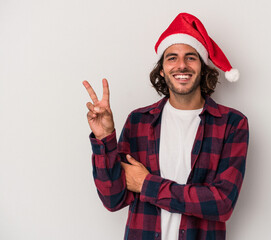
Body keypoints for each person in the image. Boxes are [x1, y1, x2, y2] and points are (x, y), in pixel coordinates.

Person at [83, 13, 249, 240]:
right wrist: (104, 139)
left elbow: (222, 203)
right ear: (162, 69)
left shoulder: (232, 124)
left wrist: (146, 184)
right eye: (172, 58)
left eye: (191, 57)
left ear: (203, 67)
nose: (181, 65)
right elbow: (113, 199)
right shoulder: (138, 121)